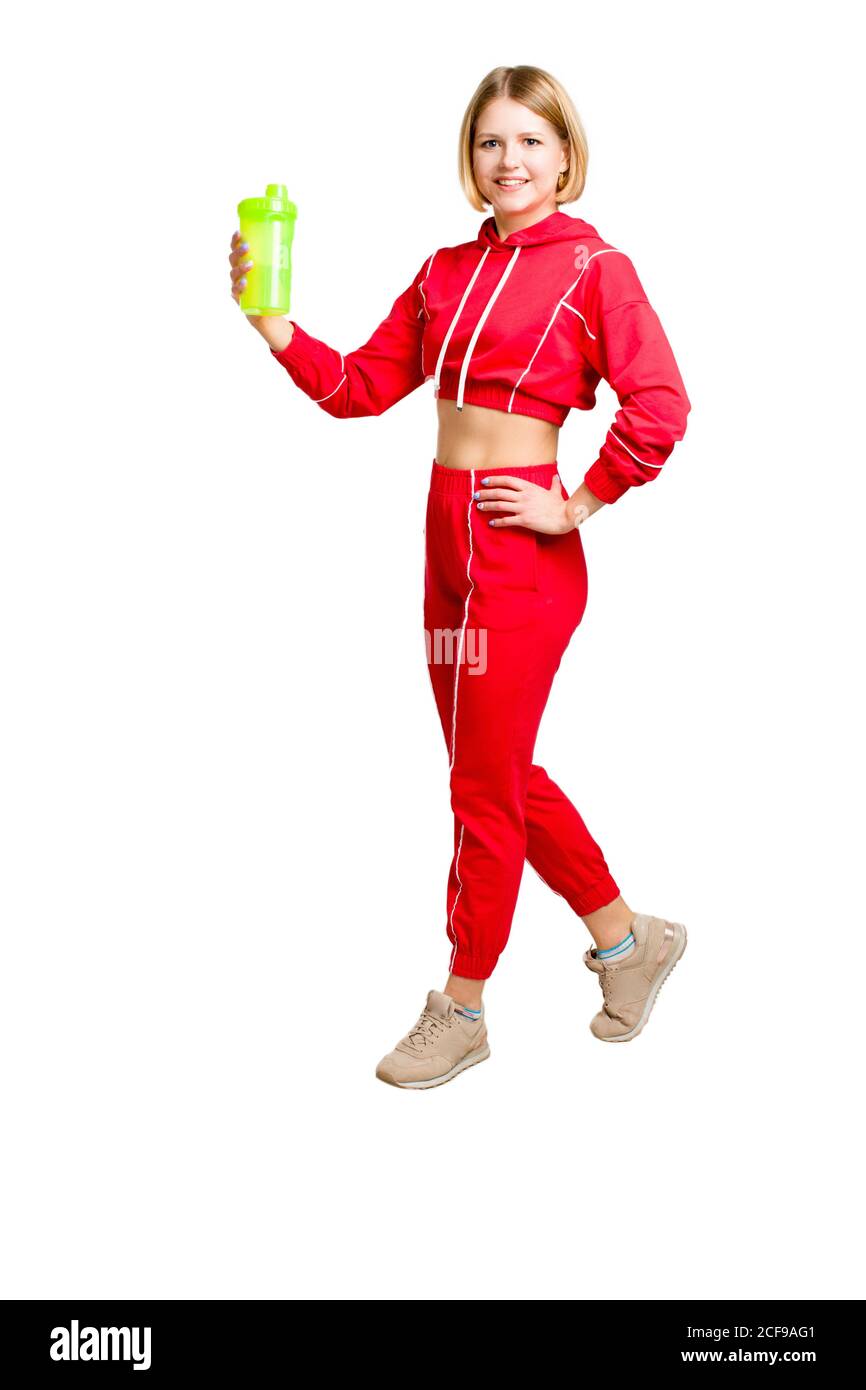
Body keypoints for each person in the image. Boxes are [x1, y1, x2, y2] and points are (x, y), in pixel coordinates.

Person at [228, 65, 690, 1090]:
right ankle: (627, 943)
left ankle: (463, 1004)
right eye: (489, 143)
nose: (508, 160)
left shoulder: (595, 269)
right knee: (496, 773)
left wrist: (575, 503)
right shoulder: (443, 271)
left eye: (529, 141)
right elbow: (357, 388)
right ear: (469, 161)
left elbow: (659, 405)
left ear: (565, 155)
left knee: (480, 786)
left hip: (523, 554)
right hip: (445, 545)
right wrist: (272, 324)